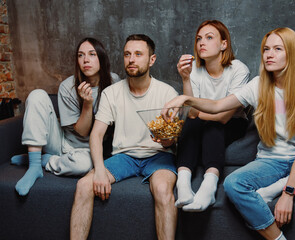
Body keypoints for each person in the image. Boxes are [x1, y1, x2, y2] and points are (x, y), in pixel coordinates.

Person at [162, 27, 295, 240]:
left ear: (291, 53)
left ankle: (279, 185)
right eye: (266, 49)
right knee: (232, 184)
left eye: (277, 49)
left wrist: (287, 191)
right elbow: (218, 106)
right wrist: (186, 99)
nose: (269, 54)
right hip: (269, 162)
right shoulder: (258, 84)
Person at [70, 34, 178, 240]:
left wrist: (165, 139)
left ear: (152, 60)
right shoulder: (111, 93)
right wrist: (100, 170)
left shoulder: (167, 93)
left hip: (158, 155)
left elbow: (171, 142)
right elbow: (96, 135)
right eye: (127, 54)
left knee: (163, 189)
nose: (131, 59)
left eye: (138, 54)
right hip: (124, 157)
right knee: (84, 185)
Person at [11, 37, 120, 196]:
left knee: (83, 165)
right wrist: (87, 104)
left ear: (101, 58)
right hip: (61, 142)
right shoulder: (68, 86)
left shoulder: (114, 82)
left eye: (92, 54)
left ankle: (44, 160)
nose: (85, 60)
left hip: (88, 150)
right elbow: (81, 132)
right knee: (37, 95)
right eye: (81, 55)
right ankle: (34, 166)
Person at [175, 20, 250, 212]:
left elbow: (224, 116)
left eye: (209, 38)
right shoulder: (194, 71)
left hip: (233, 122)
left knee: (212, 125)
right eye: (199, 38)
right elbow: (190, 112)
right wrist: (185, 78)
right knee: (191, 125)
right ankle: (183, 185)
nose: (202, 43)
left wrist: (195, 113)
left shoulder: (239, 69)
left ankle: (209, 186)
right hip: (200, 121)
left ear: (223, 44)